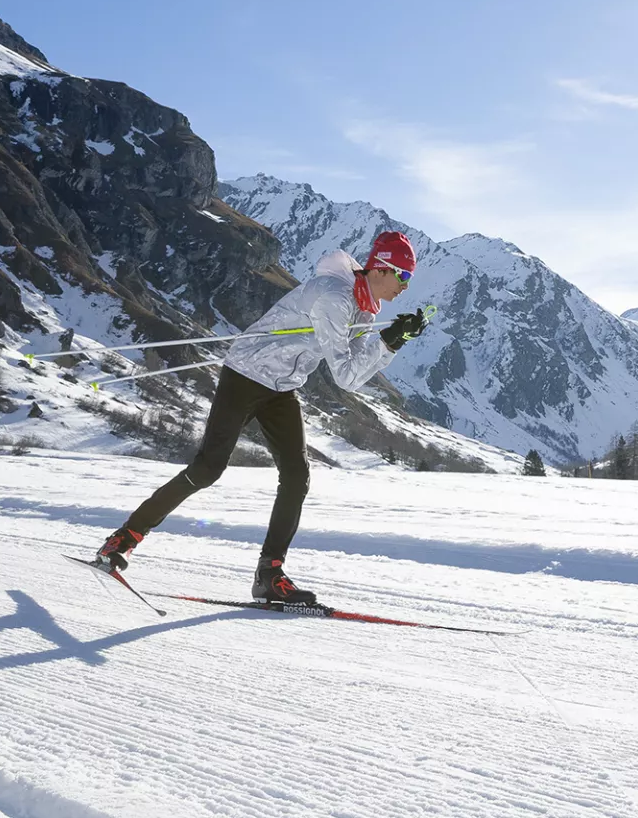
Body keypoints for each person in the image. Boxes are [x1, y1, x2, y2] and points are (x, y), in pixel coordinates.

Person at [94, 231, 429, 604]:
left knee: (297, 476)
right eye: (403, 275)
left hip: (281, 387)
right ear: (381, 268)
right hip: (246, 375)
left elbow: (354, 372)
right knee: (207, 469)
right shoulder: (335, 298)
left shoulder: (365, 310)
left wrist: (392, 341)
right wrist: (388, 342)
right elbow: (345, 377)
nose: (405, 286)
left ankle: (269, 575)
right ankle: (122, 539)